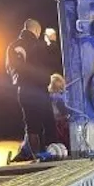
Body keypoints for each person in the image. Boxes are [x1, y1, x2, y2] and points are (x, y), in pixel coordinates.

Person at [6, 18, 57, 161]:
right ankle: (50, 156)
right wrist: (52, 41)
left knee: (31, 125)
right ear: (36, 30)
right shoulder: (38, 45)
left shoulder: (12, 46)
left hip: (22, 89)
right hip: (39, 88)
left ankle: (35, 158)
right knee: (48, 123)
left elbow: (9, 68)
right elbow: (51, 61)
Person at [48, 73, 69, 145]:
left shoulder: (50, 96)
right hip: (58, 123)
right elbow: (65, 113)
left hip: (54, 122)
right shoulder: (59, 98)